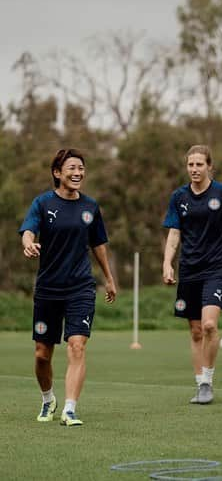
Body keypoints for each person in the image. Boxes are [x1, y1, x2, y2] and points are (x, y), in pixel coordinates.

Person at [20, 148, 117, 427]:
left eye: (81, 168)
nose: (78, 173)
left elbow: (98, 245)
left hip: (81, 287)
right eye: (72, 168)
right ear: (57, 173)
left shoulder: (90, 207)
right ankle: (48, 399)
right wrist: (28, 243)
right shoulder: (42, 204)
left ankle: (70, 409)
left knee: (77, 346)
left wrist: (109, 278)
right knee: (42, 354)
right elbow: (28, 230)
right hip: (49, 289)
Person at [162, 145, 222, 405]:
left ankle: (208, 381)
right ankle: (200, 384)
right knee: (196, 331)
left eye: (199, 164)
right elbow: (174, 234)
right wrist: (167, 263)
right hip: (189, 270)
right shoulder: (179, 197)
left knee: (209, 325)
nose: (195, 169)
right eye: (191, 165)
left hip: (216, 268)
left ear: (210, 166)